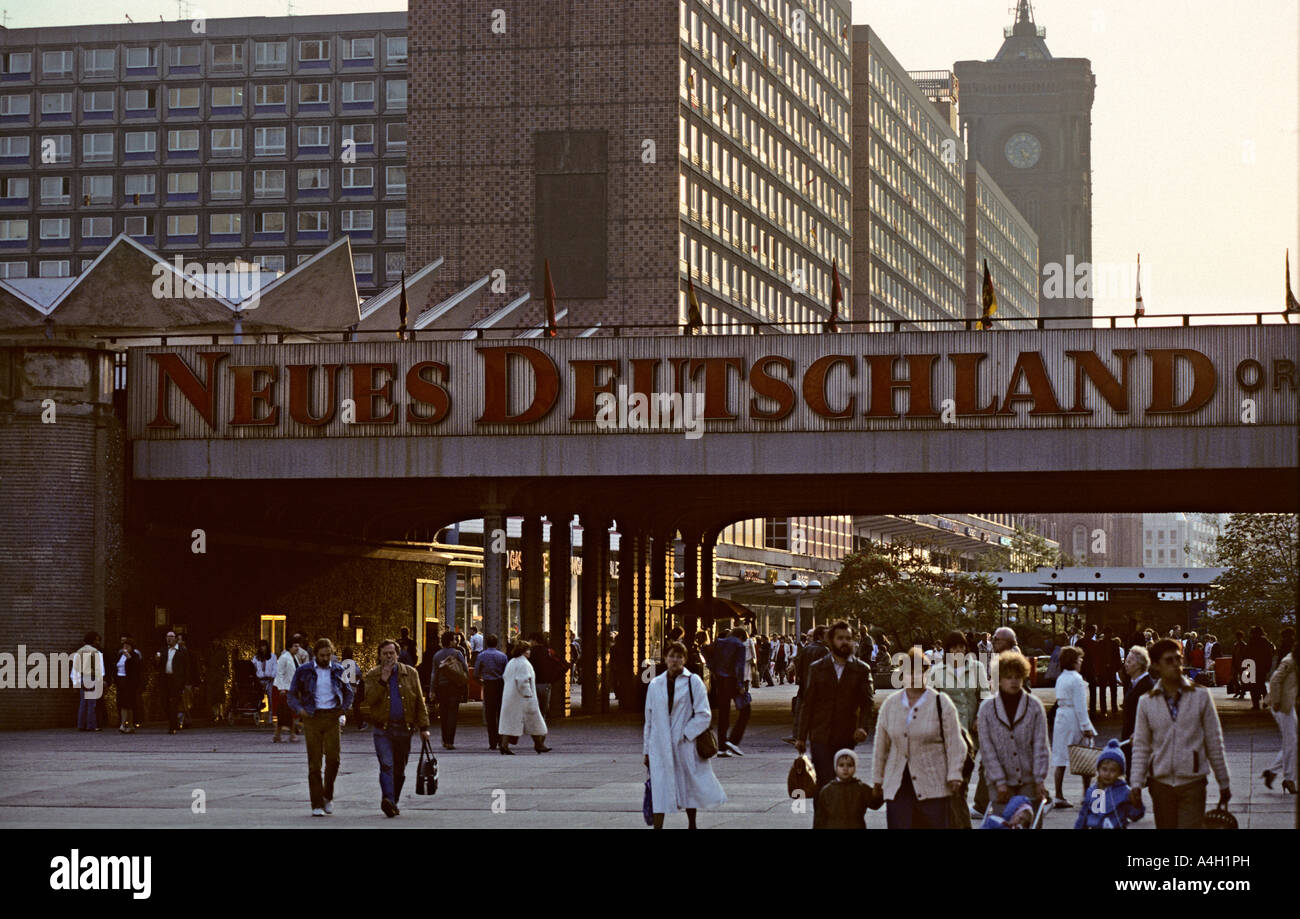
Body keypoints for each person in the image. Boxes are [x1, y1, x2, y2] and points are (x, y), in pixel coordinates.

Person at [1129, 638, 1231, 828]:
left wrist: (1223, 780)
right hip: (1160, 784)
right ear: (1157, 666)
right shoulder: (1147, 702)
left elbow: (1214, 740)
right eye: (1169, 660)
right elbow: (1141, 746)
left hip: (1193, 781)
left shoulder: (1200, 696)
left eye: (1179, 659)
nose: (1176, 664)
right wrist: (1136, 782)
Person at [871, 648, 967, 829]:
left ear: (926, 672)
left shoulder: (941, 702)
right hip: (898, 787)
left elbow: (955, 742)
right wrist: (878, 779)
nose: (913, 676)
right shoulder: (890, 705)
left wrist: (954, 773)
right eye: (908, 672)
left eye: (918, 671)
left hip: (934, 786)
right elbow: (881, 746)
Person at [642, 640, 725, 828]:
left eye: (679, 657)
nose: (675, 661)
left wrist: (686, 734)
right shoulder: (655, 684)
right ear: (665, 658)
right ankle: (658, 826)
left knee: (688, 787)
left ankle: (692, 823)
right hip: (659, 745)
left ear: (685, 660)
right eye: (671, 656)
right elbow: (649, 718)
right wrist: (646, 749)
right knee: (659, 789)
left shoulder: (693, 682)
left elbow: (704, 714)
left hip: (685, 744)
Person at [794, 621, 874, 810]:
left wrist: (863, 727)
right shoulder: (817, 667)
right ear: (831, 641)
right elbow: (808, 702)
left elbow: (867, 703)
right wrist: (800, 736)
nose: (844, 642)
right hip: (820, 734)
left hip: (846, 735)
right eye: (840, 638)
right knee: (824, 783)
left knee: (844, 782)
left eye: (848, 638)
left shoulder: (861, 669)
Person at [360, 639, 431, 817]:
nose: (389, 657)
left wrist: (424, 727)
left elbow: (418, 702)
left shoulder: (411, 673)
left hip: (404, 729)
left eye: (392, 653)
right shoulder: (373, 675)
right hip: (382, 729)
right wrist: (383, 680)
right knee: (387, 765)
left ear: (397, 655)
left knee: (399, 770)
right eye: (385, 654)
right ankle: (388, 799)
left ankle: (393, 801)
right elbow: (370, 700)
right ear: (379, 656)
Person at [285, 638, 355, 816]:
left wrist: (343, 709)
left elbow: (348, 692)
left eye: (328, 655)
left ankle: (327, 795)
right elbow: (292, 694)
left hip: (332, 715)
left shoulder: (339, 669)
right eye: (322, 655)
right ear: (315, 655)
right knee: (314, 762)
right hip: (312, 716)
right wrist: (300, 710)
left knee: (334, 759)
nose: (325, 658)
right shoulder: (304, 671)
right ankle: (316, 803)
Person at [977, 651, 1050, 812]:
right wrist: (999, 781)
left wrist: (1039, 780)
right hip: (999, 783)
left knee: (1029, 821)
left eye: (1017, 677)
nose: (1013, 681)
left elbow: (1040, 745)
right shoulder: (987, 709)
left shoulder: (1034, 706)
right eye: (1008, 677)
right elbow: (987, 749)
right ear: (1000, 679)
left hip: (1029, 780)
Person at [1050, 645, 1095, 808]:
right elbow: (1081, 705)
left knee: (1060, 757)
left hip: (1061, 718)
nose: (1081, 661)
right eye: (1079, 659)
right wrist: (1086, 726)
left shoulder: (1061, 677)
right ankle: (1086, 793)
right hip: (1074, 718)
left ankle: (1059, 795)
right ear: (1074, 661)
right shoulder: (1077, 679)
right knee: (1084, 754)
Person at [1074, 740, 1144, 829]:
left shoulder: (1125, 792)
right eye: (1104, 769)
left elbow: (1134, 815)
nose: (1107, 773)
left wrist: (1137, 804)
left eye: (1113, 770)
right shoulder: (1092, 791)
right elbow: (1083, 815)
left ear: (1120, 773)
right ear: (1098, 769)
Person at [499, 641, 550, 754]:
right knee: (534, 721)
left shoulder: (512, 662)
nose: (529, 652)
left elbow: (506, 677)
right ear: (523, 651)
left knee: (510, 722)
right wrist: (528, 694)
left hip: (511, 697)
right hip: (523, 698)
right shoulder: (524, 664)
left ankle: (504, 745)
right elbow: (523, 681)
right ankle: (539, 744)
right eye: (528, 650)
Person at [708, 627, 750, 757]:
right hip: (732, 680)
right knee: (746, 709)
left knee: (723, 713)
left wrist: (713, 669)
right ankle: (733, 741)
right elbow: (739, 666)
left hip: (720, 680)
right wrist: (740, 684)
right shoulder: (740, 646)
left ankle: (721, 747)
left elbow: (705, 651)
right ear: (742, 637)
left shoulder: (719, 642)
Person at [1262, 646, 1297, 794]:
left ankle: (1272, 772)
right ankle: (1289, 779)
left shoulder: (1293, 661)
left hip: (1287, 705)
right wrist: (1275, 701)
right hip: (1282, 706)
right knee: (1292, 742)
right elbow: (1274, 680)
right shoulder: (1289, 662)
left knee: (1293, 742)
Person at [813, 748, 874, 829]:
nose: (845, 769)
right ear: (835, 767)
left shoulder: (861, 788)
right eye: (841, 765)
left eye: (849, 765)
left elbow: (875, 802)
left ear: (855, 767)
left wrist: (881, 788)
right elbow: (820, 818)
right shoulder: (827, 790)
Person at [787, 626, 829, 743]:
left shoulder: (806, 649)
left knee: (801, 711)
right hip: (817, 687)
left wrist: (800, 680)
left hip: (804, 685)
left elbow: (799, 667)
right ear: (820, 636)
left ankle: (798, 735)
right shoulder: (824, 650)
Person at [430, 631, 468, 750]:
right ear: (450, 641)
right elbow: (465, 669)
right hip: (455, 686)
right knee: (452, 713)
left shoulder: (437, 655)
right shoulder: (457, 653)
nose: (456, 641)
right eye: (454, 639)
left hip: (442, 687)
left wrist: (432, 690)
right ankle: (450, 741)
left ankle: (444, 739)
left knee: (444, 713)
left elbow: (433, 674)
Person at [1120, 645, 1155, 774]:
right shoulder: (1133, 683)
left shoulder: (1147, 686)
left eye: (1129, 661)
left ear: (1140, 665)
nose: (1126, 664)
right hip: (1130, 739)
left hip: (1139, 740)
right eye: (1126, 661)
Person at [475, 634, 509, 750]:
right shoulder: (503, 656)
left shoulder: (481, 656)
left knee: (490, 715)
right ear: (496, 643)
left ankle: (492, 742)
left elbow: (475, 674)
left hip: (488, 685)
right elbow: (507, 672)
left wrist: (482, 683)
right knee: (500, 713)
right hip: (500, 684)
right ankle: (501, 739)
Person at [155, 630, 190, 735]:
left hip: (177, 681)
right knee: (165, 703)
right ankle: (174, 722)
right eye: (167, 636)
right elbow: (158, 666)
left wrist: (186, 682)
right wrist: (157, 660)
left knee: (173, 704)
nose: (169, 638)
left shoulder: (182, 651)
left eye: (171, 636)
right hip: (165, 680)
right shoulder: (163, 650)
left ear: (175, 638)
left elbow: (186, 668)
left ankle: (172, 726)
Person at [72, 632, 104, 732]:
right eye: (97, 640)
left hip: (82, 677)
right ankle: (91, 725)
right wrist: (100, 680)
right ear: (94, 640)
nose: (98, 642)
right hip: (91, 677)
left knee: (83, 702)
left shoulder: (79, 651)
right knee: (91, 703)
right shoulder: (95, 652)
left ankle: (81, 724)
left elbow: (75, 669)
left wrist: (75, 682)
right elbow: (99, 668)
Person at [112, 636, 142, 733]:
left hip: (130, 682)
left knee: (129, 704)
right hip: (121, 680)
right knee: (122, 703)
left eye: (128, 646)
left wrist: (129, 658)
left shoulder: (134, 656)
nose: (125, 648)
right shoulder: (121, 655)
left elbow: (136, 668)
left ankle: (130, 724)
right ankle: (123, 723)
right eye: (124, 646)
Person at [273, 637, 300, 743]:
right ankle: (287, 734)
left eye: (298, 646)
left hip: (291, 688)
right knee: (285, 713)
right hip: (283, 689)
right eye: (295, 646)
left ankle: (280, 734)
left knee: (290, 713)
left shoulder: (294, 658)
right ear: (289, 647)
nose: (297, 648)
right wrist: (282, 689)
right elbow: (279, 673)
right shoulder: (284, 658)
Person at [1244, 626, 1276, 710]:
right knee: (1262, 685)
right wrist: (1268, 666)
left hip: (1252, 666)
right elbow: (1269, 655)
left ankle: (1256, 705)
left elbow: (1247, 655)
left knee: (1253, 686)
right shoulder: (1265, 641)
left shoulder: (1251, 642)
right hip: (1262, 666)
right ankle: (1266, 702)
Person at [252, 640, 276, 726]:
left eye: (264, 646)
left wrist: (272, 676)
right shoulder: (256, 657)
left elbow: (275, 668)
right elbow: (253, 668)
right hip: (260, 680)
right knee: (258, 697)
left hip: (269, 680)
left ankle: (270, 716)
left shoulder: (273, 656)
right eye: (261, 646)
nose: (262, 648)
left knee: (270, 697)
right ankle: (257, 713)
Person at [1230, 630, 1248, 699]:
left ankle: (1241, 692)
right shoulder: (1236, 645)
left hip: (1242, 663)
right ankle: (1239, 691)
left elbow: (1245, 655)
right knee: (1235, 678)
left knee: (1242, 679)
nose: (1238, 637)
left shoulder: (1243, 645)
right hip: (1237, 663)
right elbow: (1234, 655)